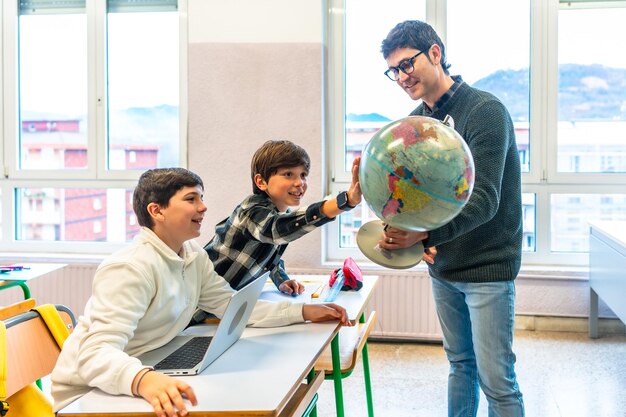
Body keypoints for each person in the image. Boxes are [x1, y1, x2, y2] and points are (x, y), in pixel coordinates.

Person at [51, 167, 350, 417]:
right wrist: (143, 379)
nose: (204, 207)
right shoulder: (129, 268)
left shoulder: (191, 254)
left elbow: (230, 305)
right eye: (191, 199)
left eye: (202, 198)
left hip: (150, 363)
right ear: (157, 211)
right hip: (90, 393)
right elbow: (93, 355)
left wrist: (301, 312)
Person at [378, 21, 525, 417]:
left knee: (498, 383)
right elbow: (413, 198)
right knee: (461, 367)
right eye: (393, 70)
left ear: (436, 53)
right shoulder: (414, 125)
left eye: (407, 64)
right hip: (443, 267)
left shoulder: (485, 111)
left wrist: (424, 235)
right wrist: (397, 229)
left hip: (488, 268)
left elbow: (486, 200)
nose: (401, 77)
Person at [204, 139, 361, 293]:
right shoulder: (251, 210)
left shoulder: (280, 214)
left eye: (303, 175)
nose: (300, 182)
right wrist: (344, 201)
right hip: (197, 308)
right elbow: (275, 231)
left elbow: (269, 256)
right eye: (288, 174)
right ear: (261, 181)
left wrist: (282, 279)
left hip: (224, 307)